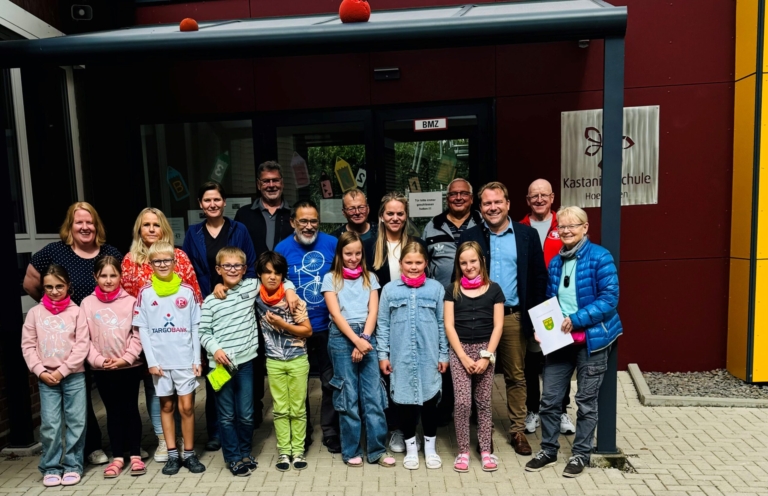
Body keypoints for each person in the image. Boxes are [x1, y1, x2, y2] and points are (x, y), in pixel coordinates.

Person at [525, 206, 622, 478]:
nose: (566, 231)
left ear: (585, 228)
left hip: (592, 339)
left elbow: (610, 299)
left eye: (572, 226)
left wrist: (577, 319)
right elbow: (549, 301)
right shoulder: (556, 261)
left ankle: (580, 454)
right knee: (550, 399)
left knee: (586, 401)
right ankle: (548, 449)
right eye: (562, 227)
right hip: (560, 341)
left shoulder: (600, 257)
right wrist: (541, 329)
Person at [22, 202, 122, 466]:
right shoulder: (53, 252)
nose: (85, 227)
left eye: (89, 222)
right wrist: (52, 309)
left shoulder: (110, 252)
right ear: (70, 226)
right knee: (81, 400)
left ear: (96, 225)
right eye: (79, 222)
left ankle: (122, 444)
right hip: (69, 339)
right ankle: (91, 446)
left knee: (111, 391)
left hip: (103, 338)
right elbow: (30, 282)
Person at [458, 181, 547, 456]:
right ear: (480, 207)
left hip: (511, 317)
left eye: (498, 202)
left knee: (515, 376)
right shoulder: (470, 235)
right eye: (487, 203)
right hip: (476, 316)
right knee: (474, 373)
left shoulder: (527, 235)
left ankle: (517, 430)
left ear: (508, 204)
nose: (493, 207)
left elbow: (538, 279)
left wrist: (536, 321)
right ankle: (483, 433)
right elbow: (459, 276)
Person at [200, 247, 298, 477]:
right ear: (218, 269)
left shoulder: (252, 286)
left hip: (246, 364)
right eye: (227, 266)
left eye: (237, 266)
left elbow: (280, 282)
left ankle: (245, 452)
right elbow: (203, 331)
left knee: (246, 413)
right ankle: (233, 458)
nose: (232, 270)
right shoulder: (211, 300)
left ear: (244, 269)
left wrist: (291, 292)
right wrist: (215, 350)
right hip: (220, 366)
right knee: (226, 416)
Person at [121, 207, 202, 462]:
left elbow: (194, 299)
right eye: (146, 225)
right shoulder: (130, 260)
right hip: (149, 340)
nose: (152, 229)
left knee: (183, 399)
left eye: (156, 225)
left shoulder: (179, 257)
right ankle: (163, 441)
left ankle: (184, 445)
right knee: (158, 394)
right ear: (139, 229)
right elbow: (126, 301)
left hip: (179, 342)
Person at [183, 181, 258, 452]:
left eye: (216, 199)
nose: (212, 204)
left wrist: (228, 287)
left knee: (241, 375)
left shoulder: (239, 229)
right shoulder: (193, 233)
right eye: (207, 200)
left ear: (224, 202)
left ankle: (242, 433)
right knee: (216, 373)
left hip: (236, 305)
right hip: (207, 305)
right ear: (201, 205)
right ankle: (216, 431)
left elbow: (250, 265)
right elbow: (189, 271)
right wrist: (211, 293)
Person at [321, 232, 395, 468]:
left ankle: (377, 450)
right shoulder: (330, 279)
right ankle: (351, 450)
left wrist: (364, 338)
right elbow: (335, 314)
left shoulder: (370, 278)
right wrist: (356, 341)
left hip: (366, 334)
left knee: (373, 396)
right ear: (340, 254)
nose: (353, 258)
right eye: (348, 253)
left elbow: (373, 311)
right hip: (343, 338)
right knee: (348, 396)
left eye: (357, 253)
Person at [133, 242, 206, 476]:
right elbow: (142, 329)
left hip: (185, 360)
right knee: (166, 405)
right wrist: (151, 362)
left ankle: (190, 453)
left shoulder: (187, 291)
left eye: (167, 260)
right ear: (150, 264)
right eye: (157, 261)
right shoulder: (145, 292)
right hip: (161, 363)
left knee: (186, 407)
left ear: (175, 263)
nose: (162, 265)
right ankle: (173, 454)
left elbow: (196, 327)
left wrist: (197, 359)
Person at [363, 192, 427, 453]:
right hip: (379, 320)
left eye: (400, 213)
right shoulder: (368, 246)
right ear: (381, 216)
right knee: (388, 375)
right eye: (390, 213)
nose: (395, 218)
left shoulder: (415, 244)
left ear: (406, 215)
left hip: (411, 320)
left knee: (413, 372)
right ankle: (397, 430)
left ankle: (415, 428)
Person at [376, 242, 448, 471]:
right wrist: (383, 355)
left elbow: (442, 323)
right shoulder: (389, 290)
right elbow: (383, 324)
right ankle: (410, 448)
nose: (414, 267)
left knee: (429, 403)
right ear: (401, 264)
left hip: (429, 357)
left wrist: (444, 354)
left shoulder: (436, 289)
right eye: (409, 262)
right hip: (401, 357)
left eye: (418, 262)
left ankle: (430, 448)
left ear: (426, 264)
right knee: (405, 404)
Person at [275, 201, 339, 453]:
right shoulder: (281, 249)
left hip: (327, 325)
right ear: (293, 222)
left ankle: (331, 431)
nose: (309, 226)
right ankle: (303, 433)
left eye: (313, 221)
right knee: (299, 383)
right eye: (303, 221)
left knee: (329, 381)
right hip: (295, 328)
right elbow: (274, 282)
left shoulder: (333, 244)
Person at [235, 161, 295, 429]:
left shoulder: (292, 214)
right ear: (259, 185)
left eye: (275, 180)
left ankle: (292, 409)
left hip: (286, 291)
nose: (271, 185)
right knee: (255, 350)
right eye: (266, 181)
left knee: (287, 348)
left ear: (283, 182)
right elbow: (235, 254)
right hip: (253, 293)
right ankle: (255, 410)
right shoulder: (244, 215)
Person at [21, 264, 89, 487]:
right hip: (46, 379)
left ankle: (72, 465)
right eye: (49, 287)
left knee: (76, 422)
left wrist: (63, 371)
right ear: (43, 287)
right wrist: (40, 371)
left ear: (68, 286)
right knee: (50, 425)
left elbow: (82, 346)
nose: (54, 291)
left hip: (73, 377)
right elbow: (28, 346)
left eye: (59, 286)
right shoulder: (34, 313)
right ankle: (51, 466)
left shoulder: (77, 312)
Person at [422, 178, 483, 425]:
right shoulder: (432, 226)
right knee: (447, 355)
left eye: (463, 194)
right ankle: (447, 406)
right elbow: (423, 266)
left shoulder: (483, 223)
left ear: (471, 197)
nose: (458, 198)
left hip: (478, 304)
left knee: (478, 352)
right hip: (443, 304)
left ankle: (479, 409)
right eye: (453, 194)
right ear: (447, 198)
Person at [518, 179, 575, 436]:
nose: (539, 200)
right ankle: (533, 410)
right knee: (531, 360)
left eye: (544, 195)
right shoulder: (518, 228)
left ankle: (561, 409)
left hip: (559, 303)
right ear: (528, 200)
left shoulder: (563, 224)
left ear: (553, 197)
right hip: (531, 303)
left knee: (559, 357)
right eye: (534, 196)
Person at [81, 257, 145, 478]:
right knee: (113, 412)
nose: (108, 280)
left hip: (128, 367)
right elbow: (84, 339)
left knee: (130, 409)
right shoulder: (87, 304)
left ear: (120, 276)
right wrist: (99, 361)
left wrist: (126, 358)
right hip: (103, 369)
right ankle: (118, 456)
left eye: (113, 275)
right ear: (95, 277)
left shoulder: (132, 302)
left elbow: (138, 335)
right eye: (103, 275)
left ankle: (135, 454)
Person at [444, 242, 504, 473]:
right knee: (462, 403)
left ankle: (486, 450)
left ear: (482, 262)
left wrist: (486, 357)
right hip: (460, 352)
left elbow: (498, 326)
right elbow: (449, 325)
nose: (469, 266)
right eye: (463, 262)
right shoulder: (453, 290)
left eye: (473, 261)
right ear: (458, 265)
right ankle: (463, 451)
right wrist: (463, 357)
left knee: (483, 403)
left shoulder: (494, 290)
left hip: (485, 352)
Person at [254, 251, 313, 472]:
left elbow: (307, 330)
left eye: (277, 273)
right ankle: (284, 452)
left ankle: (297, 451)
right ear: (259, 274)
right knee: (280, 409)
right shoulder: (256, 297)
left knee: (297, 408)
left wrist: (282, 323)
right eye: (267, 272)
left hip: (297, 359)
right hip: (274, 361)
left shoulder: (294, 300)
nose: (272, 277)